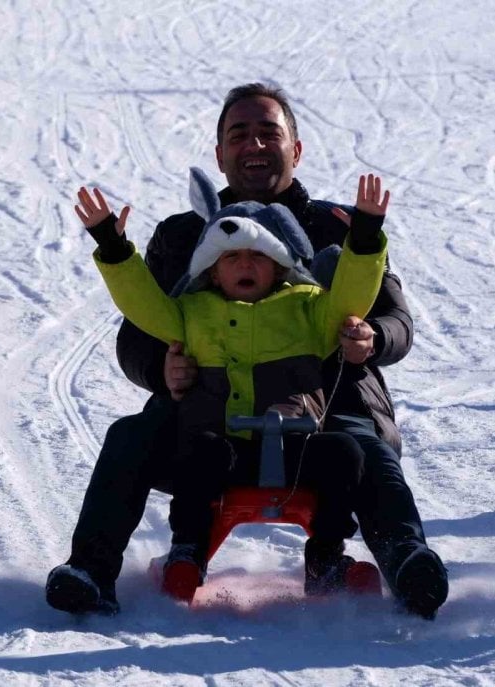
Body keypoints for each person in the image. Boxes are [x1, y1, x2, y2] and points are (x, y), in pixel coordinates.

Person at [47, 83, 448, 619]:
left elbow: (395, 318)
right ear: (219, 154)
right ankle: (91, 574)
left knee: (365, 450)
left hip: (326, 403)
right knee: (132, 436)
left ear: (295, 149)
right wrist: (162, 369)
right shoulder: (185, 233)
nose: (254, 144)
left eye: (269, 132)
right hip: (208, 405)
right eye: (239, 134)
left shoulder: (338, 227)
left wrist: (372, 340)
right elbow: (139, 332)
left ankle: (408, 565)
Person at [76, 169, 388, 601]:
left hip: (294, 449)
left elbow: (352, 300)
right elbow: (143, 306)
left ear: (280, 266)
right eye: (231, 257)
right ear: (212, 270)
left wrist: (366, 241)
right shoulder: (191, 312)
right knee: (201, 452)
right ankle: (187, 551)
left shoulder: (308, 309)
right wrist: (113, 248)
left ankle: (326, 558)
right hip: (223, 448)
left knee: (344, 452)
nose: (245, 264)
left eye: (258, 256)